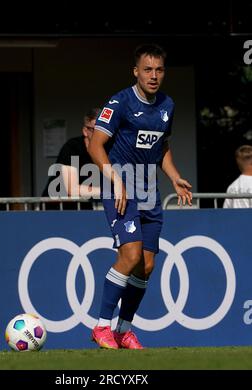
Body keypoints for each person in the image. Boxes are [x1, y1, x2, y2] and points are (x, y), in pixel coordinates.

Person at [88, 43, 192, 349]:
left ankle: (124, 329)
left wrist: (174, 177)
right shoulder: (119, 102)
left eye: (159, 70)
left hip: (150, 191)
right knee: (130, 255)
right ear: (136, 71)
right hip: (121, 188)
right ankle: (101, 326)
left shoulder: (167, 106)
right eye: (147, 69)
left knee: (146, 266)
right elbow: (95, 145)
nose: (154, 75)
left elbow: (161, 147)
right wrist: (116, 182)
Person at [42, 108, 101, 209]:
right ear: (85, 131)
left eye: (105, 130)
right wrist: (110, 192)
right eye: (96, 130)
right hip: (56, 209)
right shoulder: (72, 147)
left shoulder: (111, 149)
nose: (101, 134)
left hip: (84, 208)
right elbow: (72, 190)